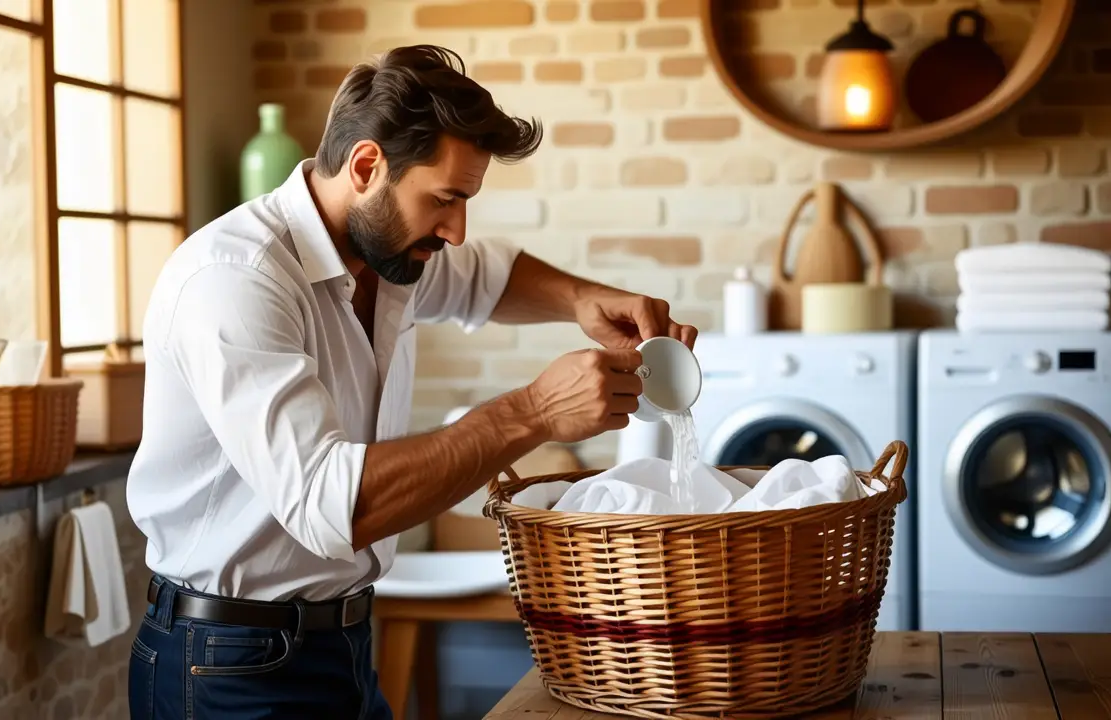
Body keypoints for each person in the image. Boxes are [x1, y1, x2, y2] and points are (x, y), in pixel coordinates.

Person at [125, 44, 698, 719]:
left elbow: (486, 274)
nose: (456, 231)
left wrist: (582, 297)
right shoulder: (235, 280)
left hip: (342, 645)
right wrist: (535, 412)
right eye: (446, 199)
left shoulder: (386, 254)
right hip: (226, 666)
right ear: (367, 166)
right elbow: (333, 507)